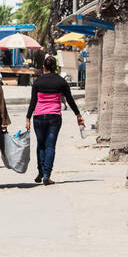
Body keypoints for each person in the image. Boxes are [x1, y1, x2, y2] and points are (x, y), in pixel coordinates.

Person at [24, 53, 84, 185]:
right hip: (54, 117)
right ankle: (46, 175)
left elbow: (33, 102)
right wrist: (78, 115)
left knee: (41, 145)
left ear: (44, 67)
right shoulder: (61, 81)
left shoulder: (38, 81)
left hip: (38, 117)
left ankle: (40, 172)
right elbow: (70, 100)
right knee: (50, 146)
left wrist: (28, 118)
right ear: (55, 67)